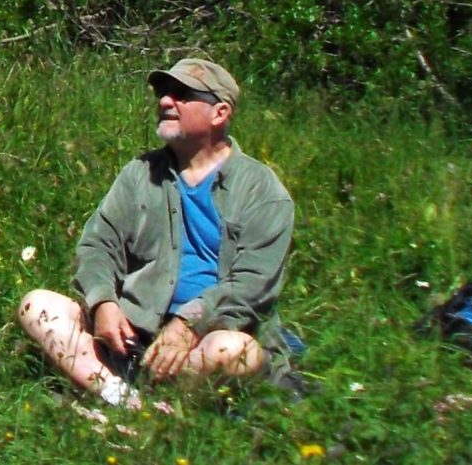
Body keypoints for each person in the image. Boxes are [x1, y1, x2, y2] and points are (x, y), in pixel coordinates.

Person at [16, 57, 293, 403]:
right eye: (163, 92)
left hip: (207, 340)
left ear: (219, 113)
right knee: (37, 306)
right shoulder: (139, 173)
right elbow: (99, 245)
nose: (165, 101)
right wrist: (103, 303)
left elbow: (252, 284)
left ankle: (144, 406)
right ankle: (126, 402)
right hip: (131, 335)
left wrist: (188, 325)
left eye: (182, 94)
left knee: (234, 351)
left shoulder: (261, 190)